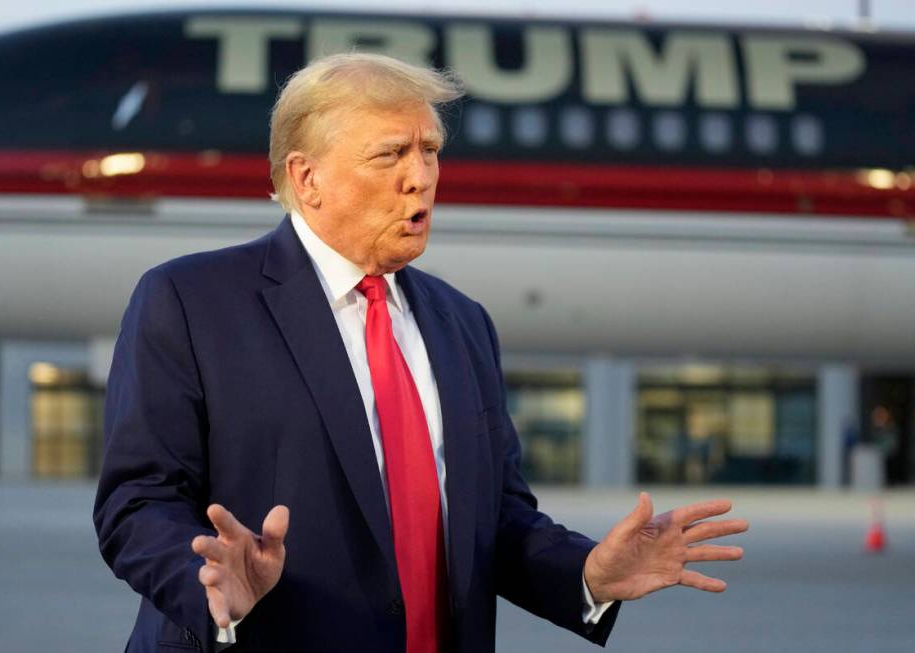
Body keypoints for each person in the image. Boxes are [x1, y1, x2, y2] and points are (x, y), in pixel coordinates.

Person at [93, 53, 748, 653]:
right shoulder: (189, 300)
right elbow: (137, 501)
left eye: (430, 149)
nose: (421, 177)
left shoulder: (462, 323)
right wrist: (205, 583)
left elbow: (498, 520)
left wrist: (586, 573)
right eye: (390, 154)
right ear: (307, 176)